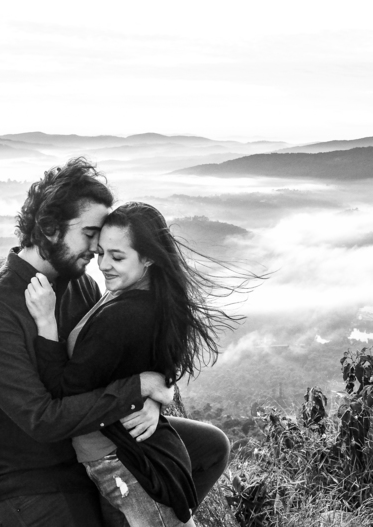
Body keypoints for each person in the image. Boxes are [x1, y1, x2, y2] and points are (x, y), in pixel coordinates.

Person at [0, 158, 175, 527]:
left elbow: (122, 356)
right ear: (49, 227)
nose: (97, 247)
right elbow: (42, 419)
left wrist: (151, 399)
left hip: (93, 452)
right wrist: (136, 388)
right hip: (28, 481)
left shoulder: (80, 283)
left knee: (211, 449)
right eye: (89, 233)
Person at [24, 202, 238, 527]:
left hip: (115, 455)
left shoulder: (123, 316)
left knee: (212, 449)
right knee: (214, 446)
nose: (103, 265)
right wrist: (149, 392)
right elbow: (158, 362)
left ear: (148, 257)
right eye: (101, 253)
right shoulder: (147, 294)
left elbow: (61, 393)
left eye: (117, 257)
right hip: (121, 441)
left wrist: (45, 323)